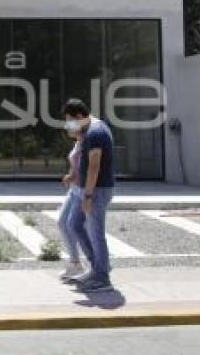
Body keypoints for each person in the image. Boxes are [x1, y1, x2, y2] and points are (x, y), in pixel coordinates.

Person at [61, 98, 116, 293]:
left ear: (80, 116)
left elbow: (94, 166)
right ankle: (96, 268)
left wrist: (88, 196)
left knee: (96, 233)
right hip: (90, 188)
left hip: (98, 190)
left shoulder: (95, 132)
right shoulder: (90, 130)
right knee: (73, 224)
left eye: (71, 120)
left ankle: (102, 278)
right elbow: (85, 164)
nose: (69, 125)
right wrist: (75, 175)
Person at [56, 128, 84, 281]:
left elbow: (90, 168)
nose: (66, 126)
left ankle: (97, 266)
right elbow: (76, 165)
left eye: (69, 121)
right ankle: (76, 264)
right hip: (74, 190)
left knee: (77, 227)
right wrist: (71, 175)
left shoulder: (87, 142)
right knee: (62, 222)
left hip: (82, 190)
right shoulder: (77, 143)